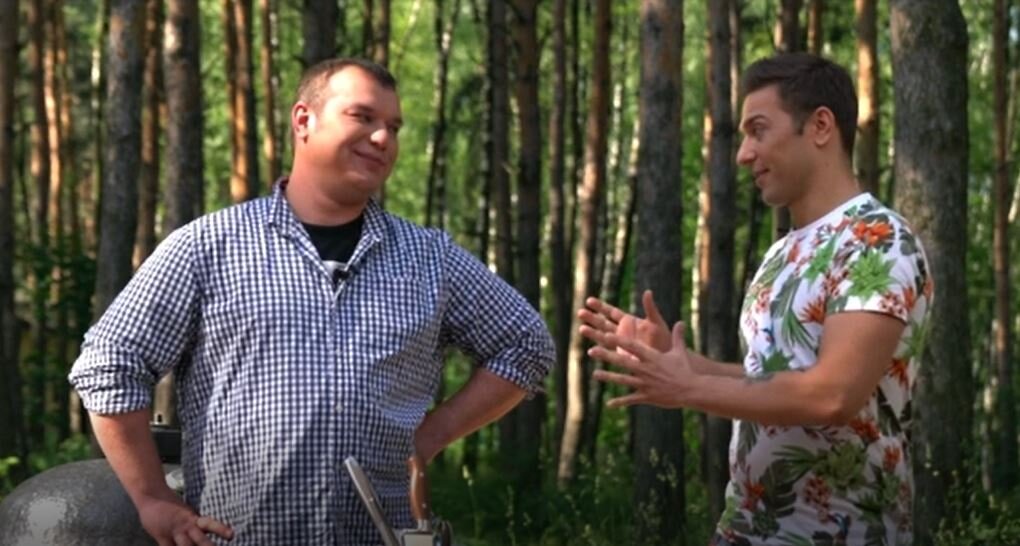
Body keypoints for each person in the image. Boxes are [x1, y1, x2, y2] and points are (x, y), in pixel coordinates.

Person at [69, 58, 554, 546]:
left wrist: (431, 436)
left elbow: (526, 346)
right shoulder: (209, 247)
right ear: (304, 120)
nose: (383, 138)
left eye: (393, 127)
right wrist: (153, 498)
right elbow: (109, 363)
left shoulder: (430, 259)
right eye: (362, 117)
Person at [578, 53, 931, 545]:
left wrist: (688, 388)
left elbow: (832, 395)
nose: (743, 154)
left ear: (821, 126)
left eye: (758, 131)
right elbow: (769, 379)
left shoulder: (876, 239)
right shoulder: (781, 253)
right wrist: (680, 363)